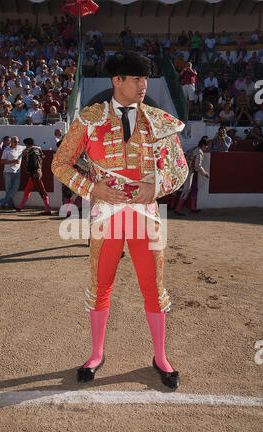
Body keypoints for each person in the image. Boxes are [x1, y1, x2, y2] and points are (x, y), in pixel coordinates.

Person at [52, 51, 188, 389]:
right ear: (118, 81)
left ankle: (160, 356)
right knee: (101, 285)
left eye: (146, 79)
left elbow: (179, 169)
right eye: (137, 79)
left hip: (146, 216)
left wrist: (155, 185)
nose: (144, 85)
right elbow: (60, 163)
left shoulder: (158, 120)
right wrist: (92, 187)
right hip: (105, 216)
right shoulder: (90, 119)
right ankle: (96, 354)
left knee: (154, 288)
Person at [174, 137, 210, 216]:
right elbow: (198, 165)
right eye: (206, 146)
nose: (207, 148)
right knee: (187, 189)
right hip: (189, 171)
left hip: (183, 170)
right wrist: (204, 173)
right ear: (203, 145)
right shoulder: (199, 152)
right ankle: (178, 209)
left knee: (193, 188)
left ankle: (192, 208)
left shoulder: (193, 148)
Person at [16, 138, 51, 215]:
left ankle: (48, 209)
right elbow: (43, 157)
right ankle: (19, 206)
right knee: (27, 190)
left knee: (42, 191)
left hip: (35, 173)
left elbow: (34, 163)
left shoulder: (31, 151)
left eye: (26, 145)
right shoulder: (38, 149)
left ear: (27, 144)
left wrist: (30, 169)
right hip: (37, 172)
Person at [0, 136, 24, 209]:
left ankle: (3, 201)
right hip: (7, 172)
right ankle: (11, 204)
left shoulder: (20, 148)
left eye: (18, 142)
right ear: (11, 142)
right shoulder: (7, 150)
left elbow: (29, 147)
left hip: (17, 172)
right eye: (15, 142)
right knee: (8, 190)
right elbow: (2, 161)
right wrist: (13, 161)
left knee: (15, 188)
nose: (17, 143)